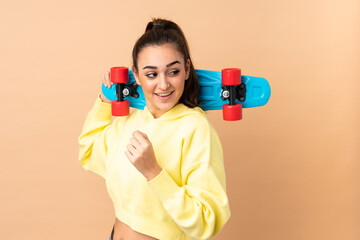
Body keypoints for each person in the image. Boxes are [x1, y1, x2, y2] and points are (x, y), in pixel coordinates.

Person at [78, 18, 231, 240]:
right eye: (151, 74)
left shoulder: (196, 128)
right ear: (137, 75)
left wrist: (153, 171)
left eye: (173, 71)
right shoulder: (131, 119)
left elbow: (205, 221)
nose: (163, 84)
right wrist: (103, 101)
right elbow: (89, 152)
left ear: (187, 69)